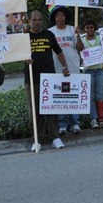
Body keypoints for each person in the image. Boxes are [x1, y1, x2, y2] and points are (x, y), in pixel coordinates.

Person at [25, 10, 70, 152]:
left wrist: (65, 67)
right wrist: (24, 59)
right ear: (29, 21)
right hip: (32, 78)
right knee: (35, 110)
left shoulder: (49, 35)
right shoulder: (24, 37)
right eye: (34, 20)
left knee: (51, 109)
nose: (37, 22)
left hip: (48, 78)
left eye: (39, 20)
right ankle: (37, 139)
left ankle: (55, 137)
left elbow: (59, 51)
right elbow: (16, 55)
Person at [48, 6, 82, 134]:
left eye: (62, 15)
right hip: (58, 69)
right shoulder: (50, 32)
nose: (60, 17)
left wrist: (78, 36)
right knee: (60, 96)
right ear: (54, 18)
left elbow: (80, 48)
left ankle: (75, 123)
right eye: (57, 15)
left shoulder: (73, 30)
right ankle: (62, 124)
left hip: (73, 67)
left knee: (74, 95)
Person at [76, 18, 103, 128]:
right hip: (87, 70)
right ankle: (93, 119)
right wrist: (78, 35)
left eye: (91, 27)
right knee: (90, 96)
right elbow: (79, 49)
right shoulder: (82, 39)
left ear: (95, 28)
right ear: (84, 29)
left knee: (100, 95)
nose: (89, 29)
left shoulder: (100, 39)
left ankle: (101, 118)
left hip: (99, 70)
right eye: (87, 27)